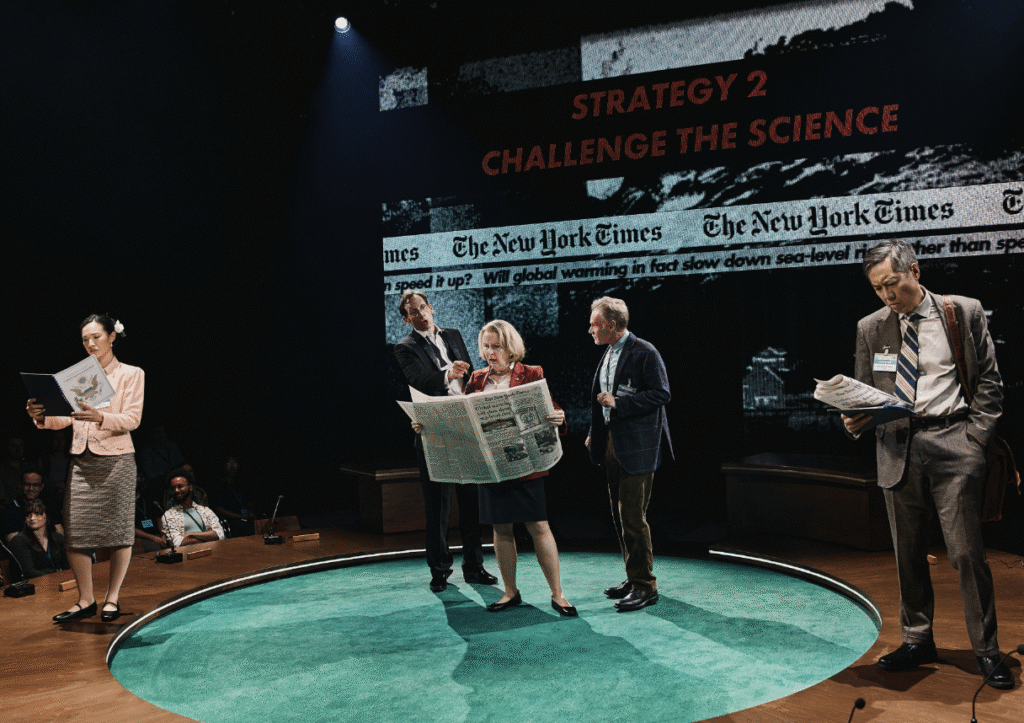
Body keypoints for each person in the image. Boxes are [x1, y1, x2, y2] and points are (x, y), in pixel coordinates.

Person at [842, 240, 1012, 689]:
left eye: (892, 284)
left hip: (955, 441)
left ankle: (987, 650)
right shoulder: (871, 327)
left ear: (914, 271)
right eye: (878, 289)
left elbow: (990, 380)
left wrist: (976, 439)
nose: (887, 296)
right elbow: (863, 389)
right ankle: (918, 640)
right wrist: (852, 417)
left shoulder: (963, 312)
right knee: (907, 554)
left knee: (965, 554)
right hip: (898, 447)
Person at [415, 320, 574, 615]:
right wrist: (427, 425)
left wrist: (559, 417)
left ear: (510, 347)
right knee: (501, 530)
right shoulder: (476, 379)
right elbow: (461, 421)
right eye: (485, 346)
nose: (490, 352)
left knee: (539, 526)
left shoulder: (532, 373)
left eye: (496, 346)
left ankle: (558, 594)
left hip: (527, 466)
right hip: (493, 469)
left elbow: (552, 410)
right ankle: (510, 592)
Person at [26, 313, 144, 623]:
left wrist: (102, 418)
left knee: (119, 532)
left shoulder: (131, 374)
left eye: (96, 337)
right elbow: (64, 417)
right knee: (76, 532)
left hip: (117, 458)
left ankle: (113, 597)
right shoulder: (79, 375)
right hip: (82, 459)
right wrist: (41, 415)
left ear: (112, 337)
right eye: (85, 339)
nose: (90, 343)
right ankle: (85, 599)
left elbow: (133, 419)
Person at [393, 290, 497, 592]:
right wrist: (447, 373)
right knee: (437, 507)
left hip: (465, 426)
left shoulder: (453, 334)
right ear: (406, 318)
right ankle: (439, 571)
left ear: (432, 308)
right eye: (413, 312)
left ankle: (474, 567)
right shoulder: (405, 347)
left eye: (423, 307)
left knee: (470, 503)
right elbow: (419, 380)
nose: (421, 314)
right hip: (434, 429)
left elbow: (470, 377)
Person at [586, 296, 673, 612]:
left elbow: (662, 394)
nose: (590, 329)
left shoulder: (645, 351)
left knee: (633, 519)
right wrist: (596, 432)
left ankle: (645, 586)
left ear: (611, 325)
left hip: (638, 448)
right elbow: (605, 399)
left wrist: (619, 404)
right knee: (620, 517)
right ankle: (633, 577)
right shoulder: (609, 352)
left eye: (594, 324)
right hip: (612, 444)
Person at [159, 467, 225, 548]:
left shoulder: (205, 510)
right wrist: (209, 538)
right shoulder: (168, 515)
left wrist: (189, 535)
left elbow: (220, 534)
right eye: (173, 488)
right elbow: (177, 543)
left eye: (180, 486)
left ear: (190, 487)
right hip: (188, 555)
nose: (176, 490)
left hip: (212, 551)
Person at [6, 499, 69, 580]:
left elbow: (67, 567)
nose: (32, 518)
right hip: (34, 586)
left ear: (45, 516)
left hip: (57, 582)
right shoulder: (19, 541)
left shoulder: (58, 538)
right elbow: (28, 573)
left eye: (37, 514)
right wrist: (55, 577)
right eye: (28, 515)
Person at [1, 469, 64, 542]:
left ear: (42, 487)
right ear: (20, 485)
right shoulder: (10, 511)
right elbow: (16, 545)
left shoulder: (50, 505)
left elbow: (61, 538)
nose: (31, 488)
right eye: (27, 484)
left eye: (36, 485)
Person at [209, 456, 257, 537]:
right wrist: (242, 517)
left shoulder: (243, 484)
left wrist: (251, 513)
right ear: (224, 467)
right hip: (231, 522)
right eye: (228, 464)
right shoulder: (219, 487)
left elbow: (250, 503)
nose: (232, 467)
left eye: (234, 464)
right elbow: (220, 510)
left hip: (247, 519)